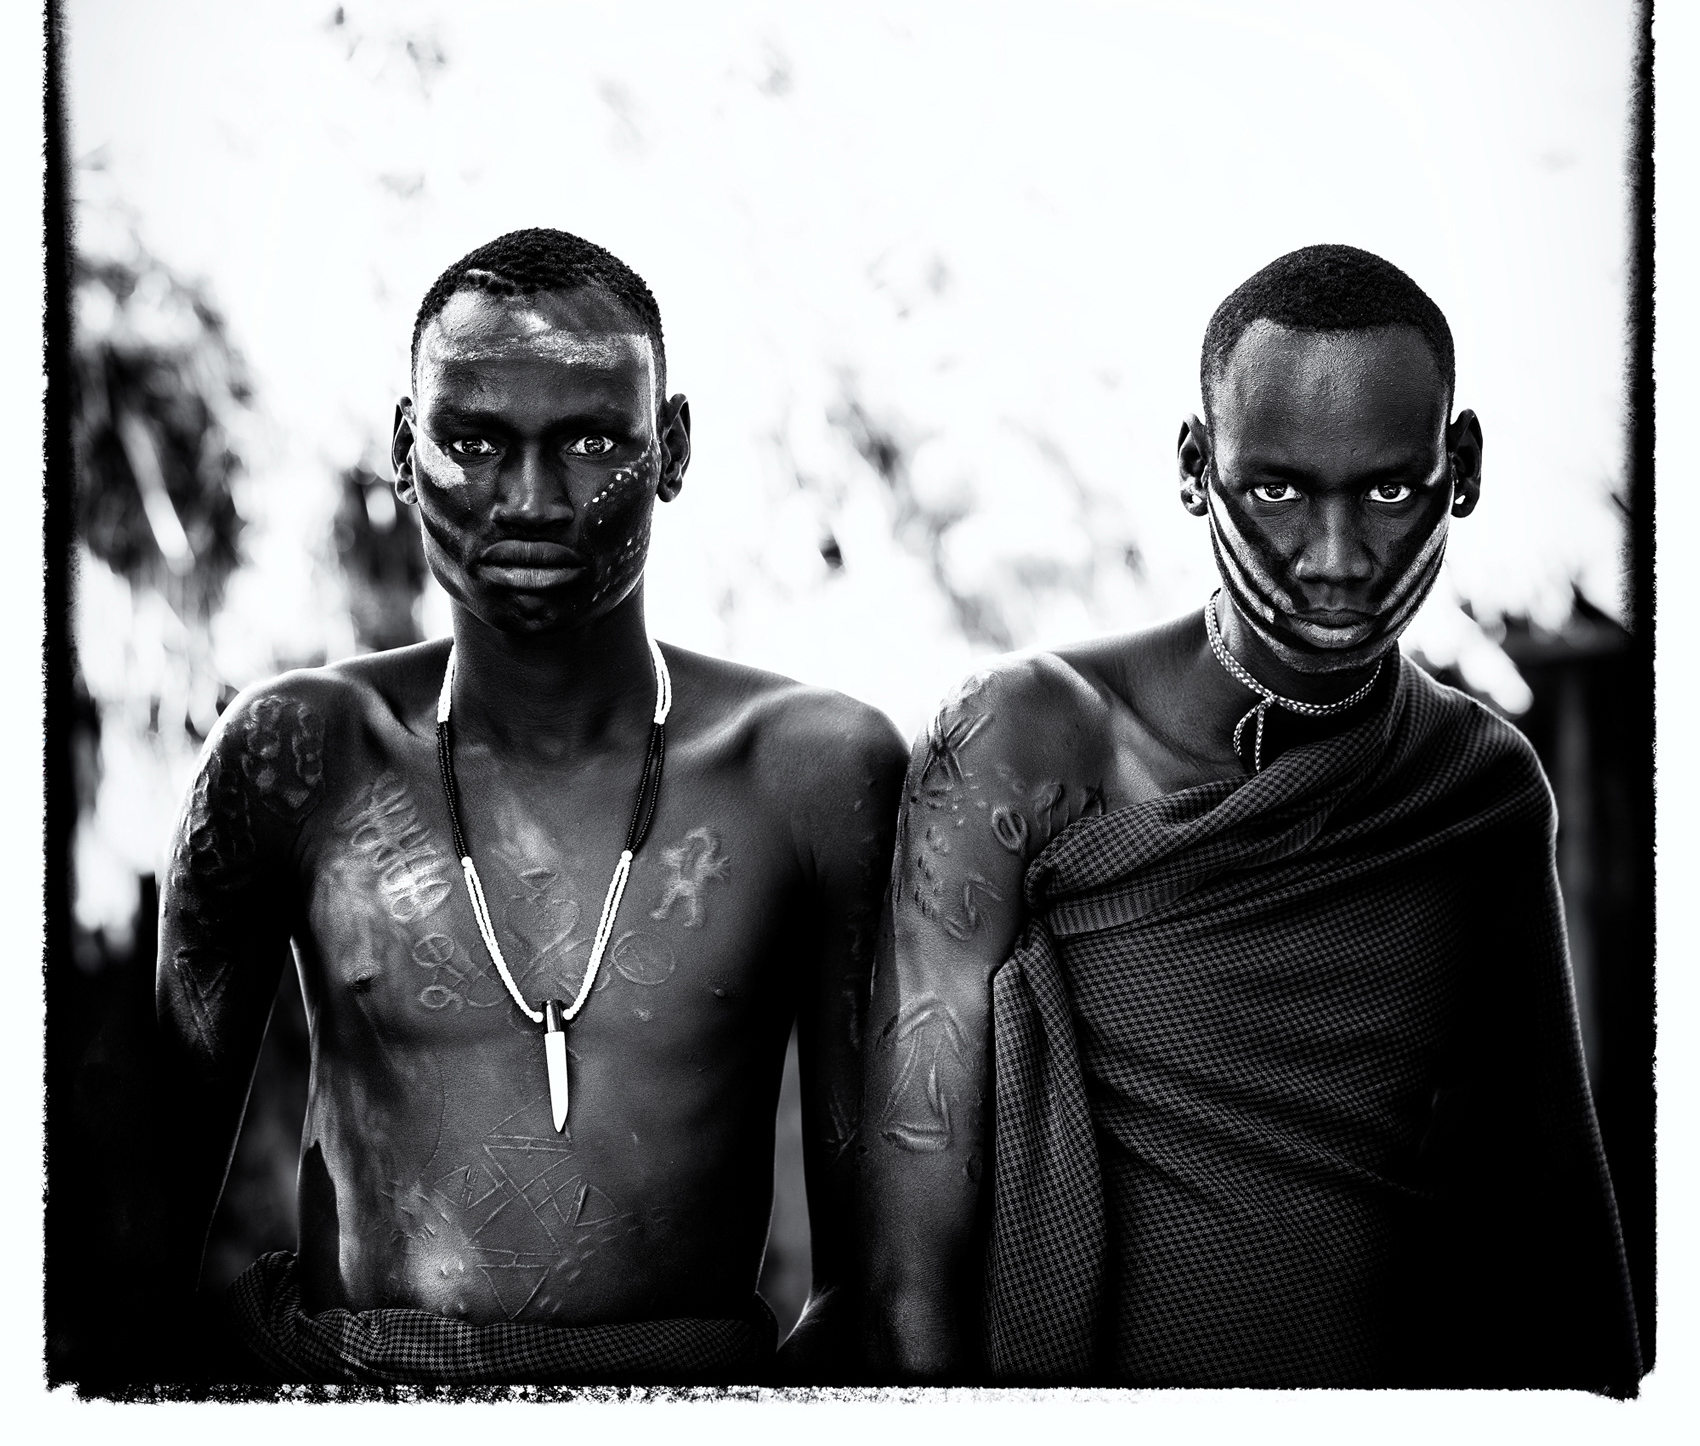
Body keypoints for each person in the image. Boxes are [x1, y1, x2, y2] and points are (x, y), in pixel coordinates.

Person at [859, 244, 1642, 1391]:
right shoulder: (1022, 743)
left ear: (1458, 467)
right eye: (1275, 489)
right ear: (1194, 464)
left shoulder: (1476, 786)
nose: (1334, 558)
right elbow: (905, 1261)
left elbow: (1553, 1220)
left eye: (1386, 489)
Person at [156, 227, 907, 1385]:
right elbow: (121, 1248)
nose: (529, 497)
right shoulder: (298, 755)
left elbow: (875, 1283)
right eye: (475, 442)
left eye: (590, 441)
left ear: (671, 448)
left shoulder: (808, 772)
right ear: (407, 450)